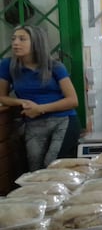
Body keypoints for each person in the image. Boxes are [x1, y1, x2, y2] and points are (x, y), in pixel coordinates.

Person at [0, 25, 80, 171]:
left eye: (22, 39)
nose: (15, 43)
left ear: (36, 42)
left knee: (52, 165)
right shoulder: (7, 65)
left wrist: (40, 109)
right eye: (13, 39)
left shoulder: (55, 66)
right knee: (35, 169)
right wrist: (20, 102)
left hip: (62, 121)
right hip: (33, 123)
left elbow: (73, 100)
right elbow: (2, 97)